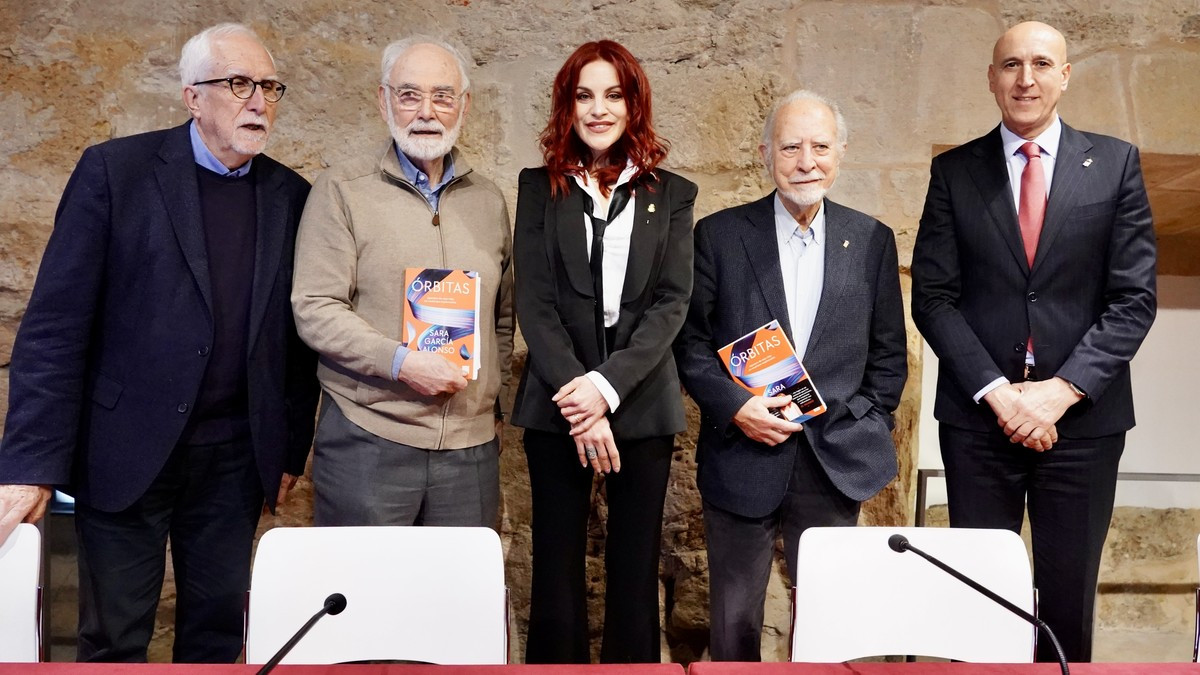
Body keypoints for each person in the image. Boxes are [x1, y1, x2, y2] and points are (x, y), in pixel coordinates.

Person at [0, 23, 318, 662]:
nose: (259, 101)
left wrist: (287, 446)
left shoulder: (291, 196)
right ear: (192, 97)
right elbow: (56, 326)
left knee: (217, 636)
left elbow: (296, 338)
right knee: (112, 639)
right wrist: (30, 463)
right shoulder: (116, 172)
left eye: (269, 87)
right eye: (238, 84)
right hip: (123, 450)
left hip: (232, 460)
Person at [910, 21, 1157, 663]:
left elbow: (1133, 299)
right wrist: (1001, 395)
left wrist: (1060, 392)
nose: (1027, 79)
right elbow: (933, 298)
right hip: (978, 420)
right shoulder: (953, 172)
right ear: (992, 78)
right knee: (982, 596)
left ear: (1065, 76)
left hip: (1084, 425)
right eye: (1011, 65)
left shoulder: (1114, 164)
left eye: (1042, 64)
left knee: (1068, 597)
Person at [674, 90, 907, 661]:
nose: (807, 161)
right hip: (742, 451)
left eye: (820, 146)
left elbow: (888, 357)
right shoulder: (720, 236)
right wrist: (736, 408)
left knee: (829, 620)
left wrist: (860, 419)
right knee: (733, 619)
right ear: (765, 154)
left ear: (842, 152)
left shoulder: (872, 239)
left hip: (833, 458)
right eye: (791, 146)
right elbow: (691, 344)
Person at [511, 40, 696, 663]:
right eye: (585, 95)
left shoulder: (672, 194)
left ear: (633, 104)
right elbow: (535, 304)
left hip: (640, 400)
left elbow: (672, 304)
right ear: (567, 105)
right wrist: (581, 399)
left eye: (613, 95)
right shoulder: (539, 188)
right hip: (557, 401)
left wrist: (607, 389)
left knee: (636, 565)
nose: (598, 109)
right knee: (556, 565)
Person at [291, 36, 513, 529]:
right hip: (368, 442)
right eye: (409, 94)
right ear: (383, 99)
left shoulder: (488, 199)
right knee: (367, 599)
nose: (427, 111)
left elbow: (501, 315)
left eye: (443, 95)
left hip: (469, 450)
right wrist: (402, 362)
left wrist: (488, 401)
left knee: (456, 600)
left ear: (465, 104)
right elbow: (315, 308)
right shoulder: (342, 190)